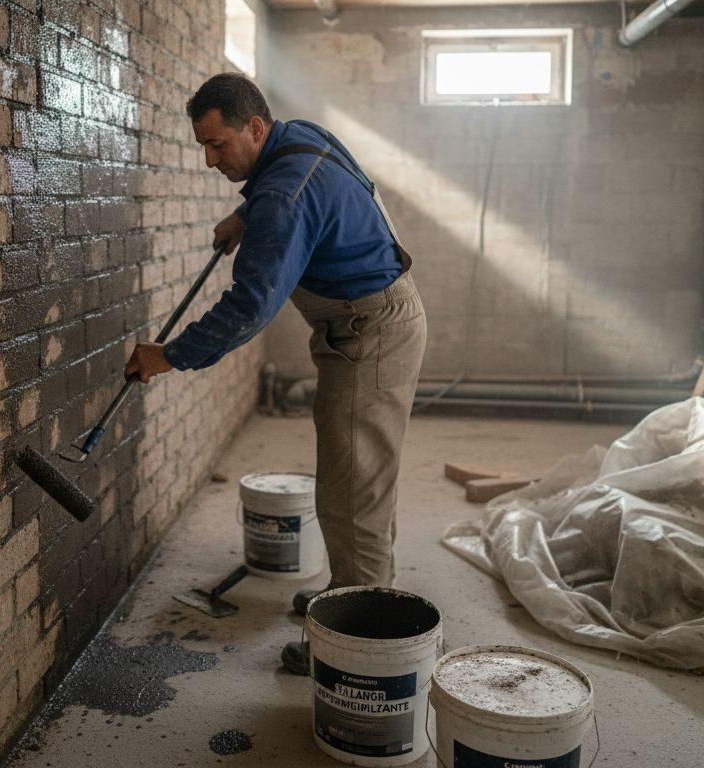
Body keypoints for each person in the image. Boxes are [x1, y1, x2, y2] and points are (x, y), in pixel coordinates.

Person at [125, 73, 426, 675]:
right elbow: (314, 176)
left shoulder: (284, 196)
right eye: (204, 148)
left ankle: (358, 648)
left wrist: (171, 354)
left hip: (371, 334)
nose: (211, 160)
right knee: (355, 478)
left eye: (219, 145)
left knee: (351, 495)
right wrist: (245, 213)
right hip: (365, 322)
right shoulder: (297, 139)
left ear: (255, 127)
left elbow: (249, 307)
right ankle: (352, 589)